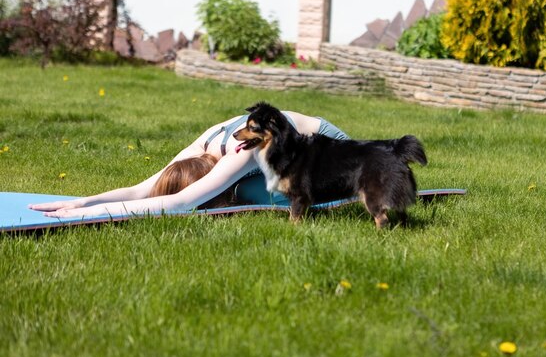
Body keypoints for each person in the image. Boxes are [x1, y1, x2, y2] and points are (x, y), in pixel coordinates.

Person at [29, 110, 349, 219]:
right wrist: (84, 201)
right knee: (244, 191)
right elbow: (143, 190)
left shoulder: (244, 150)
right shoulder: (201, 145)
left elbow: (180, 202)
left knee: (248, 193)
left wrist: (84, 215)